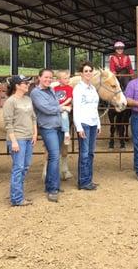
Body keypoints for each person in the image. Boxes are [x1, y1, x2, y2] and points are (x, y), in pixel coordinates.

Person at [3, 75, 37, 206]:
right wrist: (14, 141)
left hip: (28, 138)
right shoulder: (10, 102)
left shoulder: (28, 99)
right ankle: (17, 198)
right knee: (19, 167)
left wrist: (35, 133)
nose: (28, 85)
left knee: (25, 166)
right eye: (25, 83)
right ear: (17, 85)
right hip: (18, 139)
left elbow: (33, 117)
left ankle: (17, 194)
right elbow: (8, 123)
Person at [31, 68, 64, 202]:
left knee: (54, 156)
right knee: (55, 156)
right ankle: (52, 189)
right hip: (48, 127)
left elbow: (53, 105)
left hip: (57, 126)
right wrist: (61, 108)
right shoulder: (35, 93)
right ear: (39, 78)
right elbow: (46, 109)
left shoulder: (51, 90)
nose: (48, 80)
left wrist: (57, 108)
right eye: (46, 77)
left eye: (50, 78)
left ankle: (52, 185)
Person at [73, 62, 101, 191]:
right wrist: (79, 127)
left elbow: (95, 108)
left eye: (90, 70)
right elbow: (76, 109)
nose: (88, 73)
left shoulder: (93, 89)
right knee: (84, 153)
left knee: (90, 153)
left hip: (93, 123)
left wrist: (99, 123)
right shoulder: (78, 89)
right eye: (86, 71)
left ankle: (88, 179)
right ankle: (83, 182)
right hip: (84, 123)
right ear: (81, 73)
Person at [53, 70, 73, 145]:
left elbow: (69, 98)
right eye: (65, 78)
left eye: (68, 78)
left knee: (64, 115)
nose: (67, 80)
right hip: (57, 107)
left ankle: (66, 132)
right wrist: (57, 106)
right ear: (59, 80)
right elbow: (53, 98)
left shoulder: (69, 88)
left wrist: (62, 105)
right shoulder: (55, 88)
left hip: (65, 106)